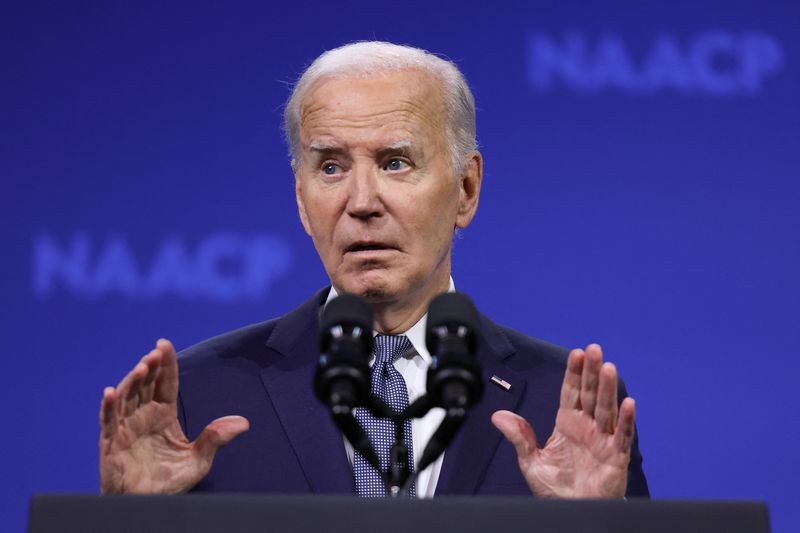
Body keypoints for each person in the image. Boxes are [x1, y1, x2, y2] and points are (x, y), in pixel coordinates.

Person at [98, 41, 648, 498]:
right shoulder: (201, 392)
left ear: (466, 189)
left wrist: (594, 527)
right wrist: (129, 524)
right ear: (300, 197)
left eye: (395, 162)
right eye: (331, 166)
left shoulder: (563, 403)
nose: (361, 201)